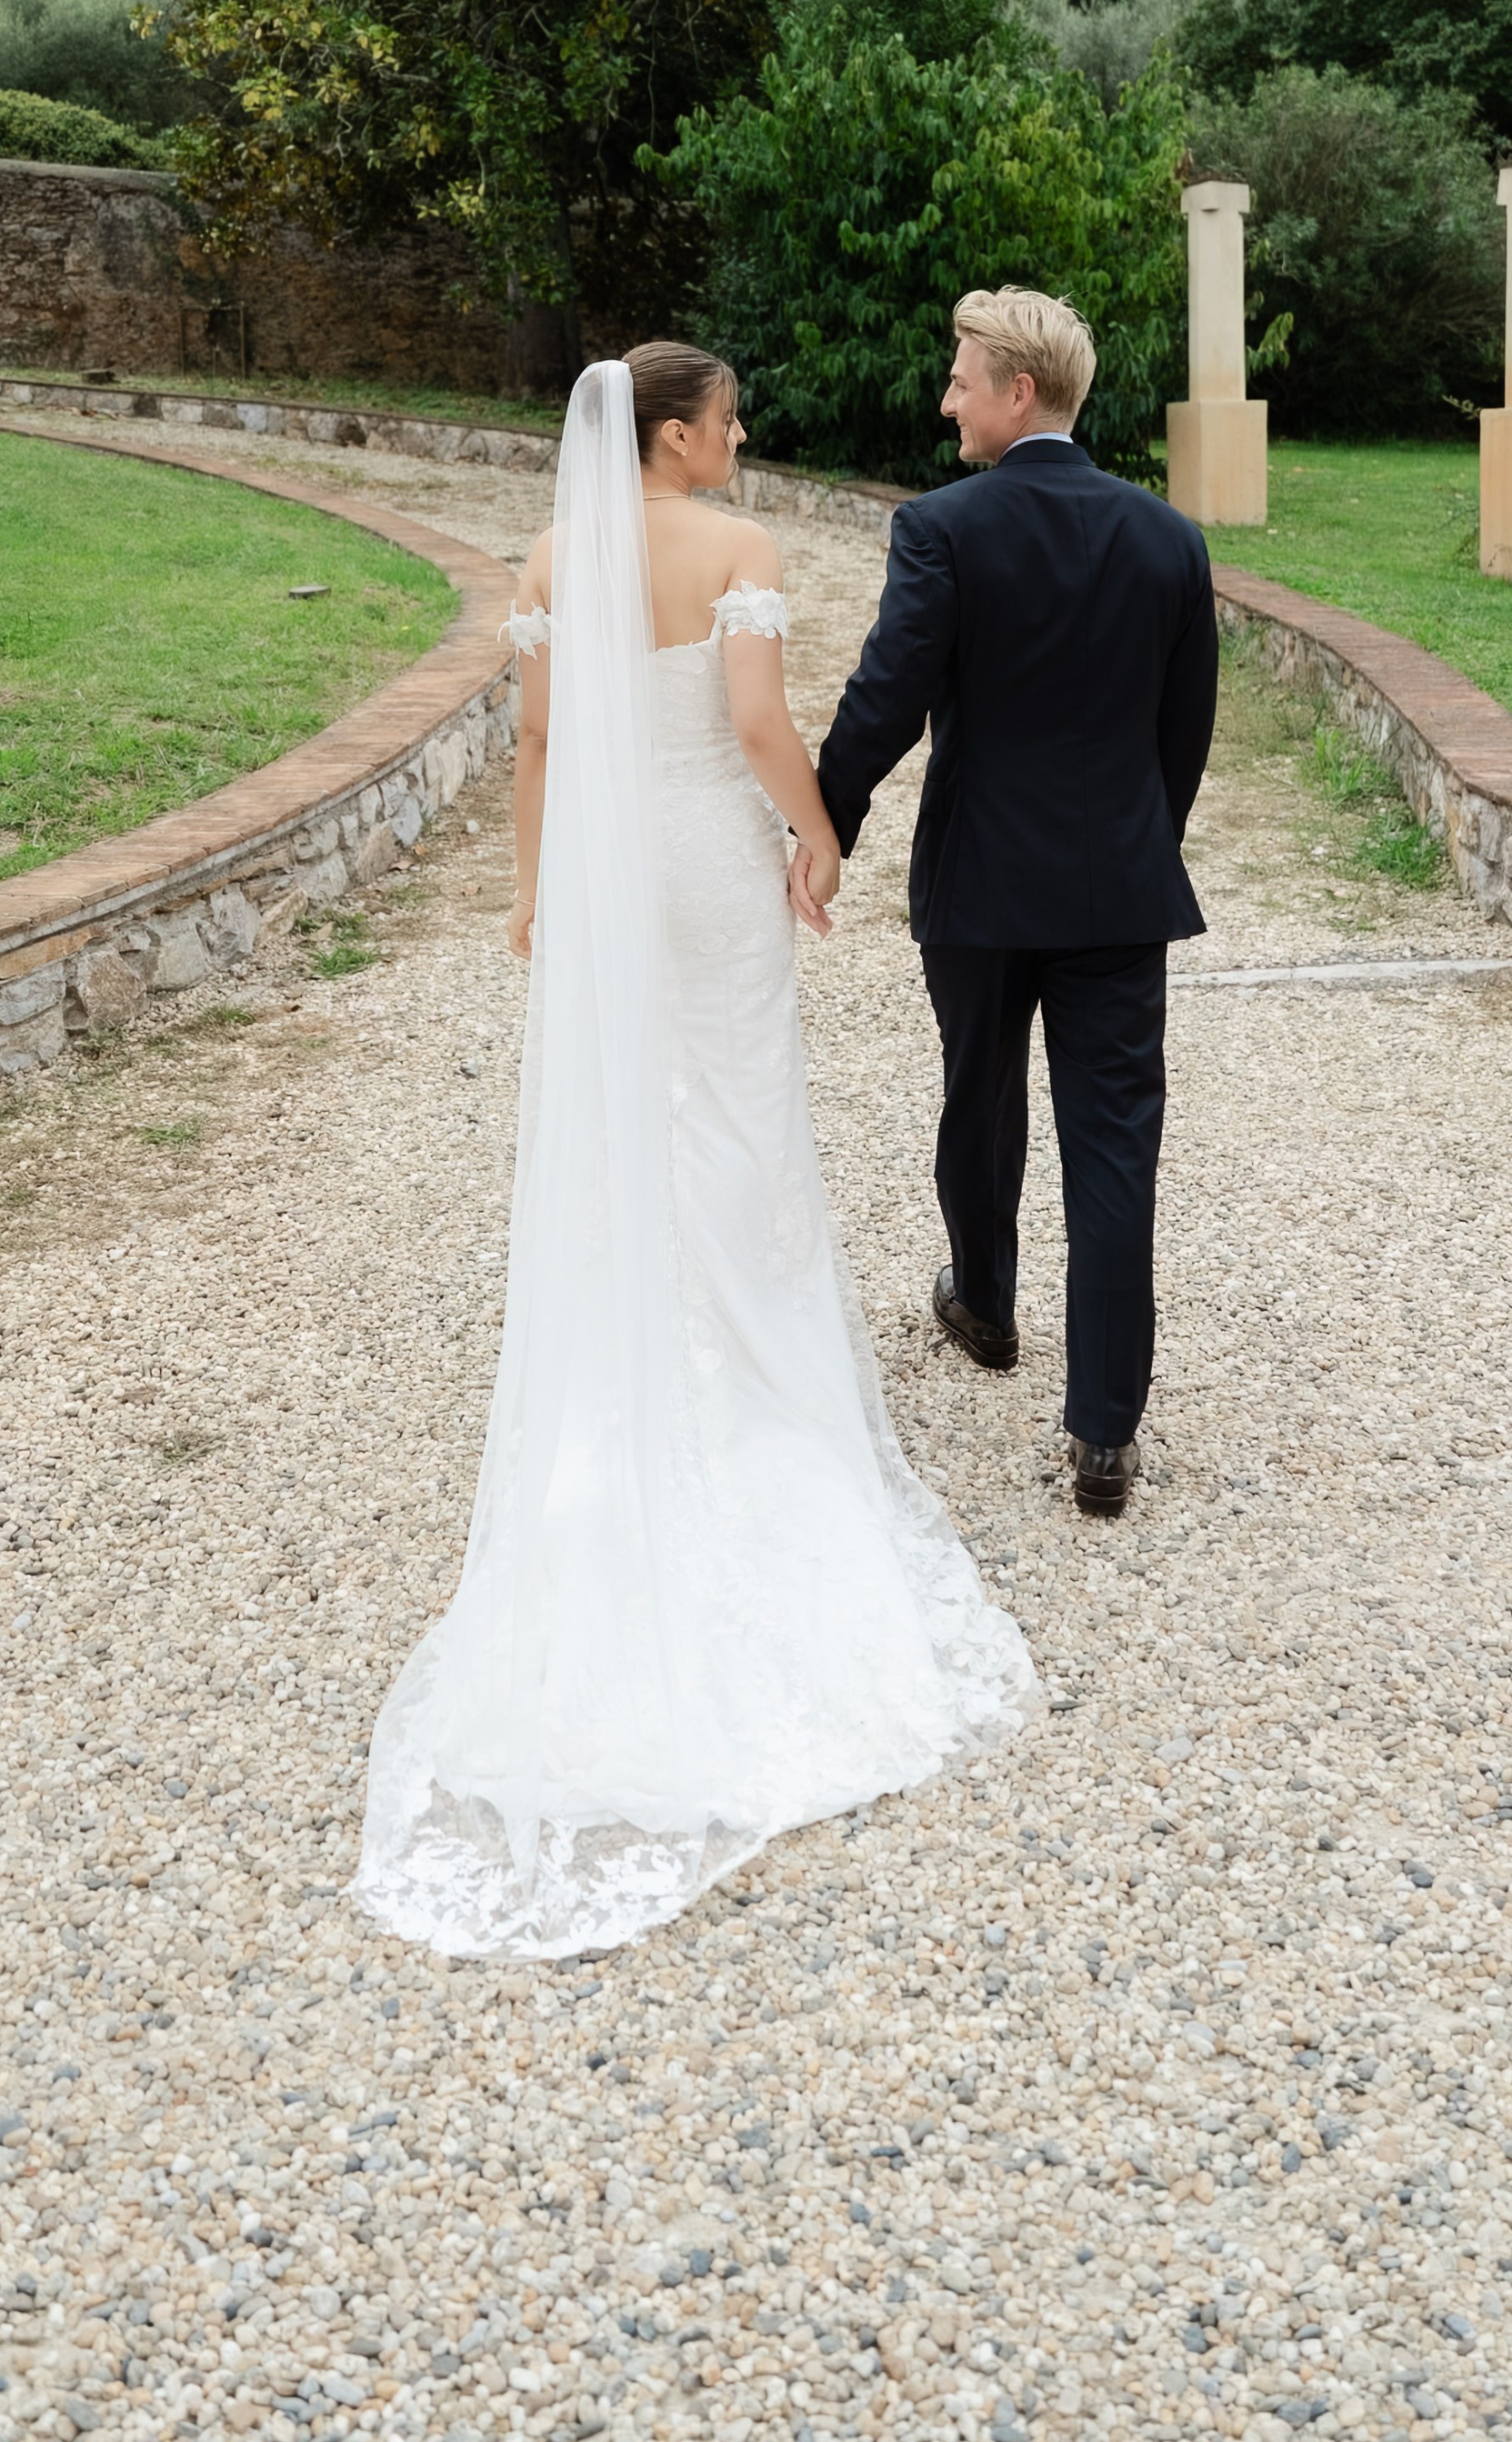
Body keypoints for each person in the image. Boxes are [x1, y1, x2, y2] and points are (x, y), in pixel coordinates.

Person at [355, 345, 1036, 1961]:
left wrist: (533, 891)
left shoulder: (554, 554)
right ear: (672, 436)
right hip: (713, 868)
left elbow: (536, 745)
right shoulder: (737, 548)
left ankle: (629, 1391)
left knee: (629, 1120)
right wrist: (817, 830)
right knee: (738, 1118)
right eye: (727, 418)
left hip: (606, 868)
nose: (742, 435)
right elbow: (753, 721)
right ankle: (751, 1390)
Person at [807, 288, 1219, 1521]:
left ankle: (984, 1305)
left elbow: (886, 695)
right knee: (1115, 1146)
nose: (948, 400)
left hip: (980, 887)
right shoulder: (1169, 540)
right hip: (1118, 894)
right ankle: (1105, 1432)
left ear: (1017, 392)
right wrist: (1135, 846)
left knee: (979, 1095)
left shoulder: (943, 528)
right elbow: (1183, 737)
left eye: (961, 379)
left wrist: (824, 824)